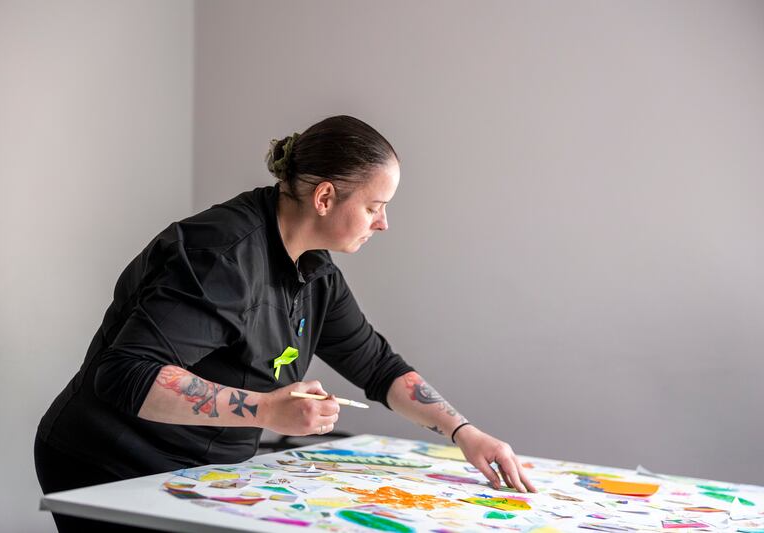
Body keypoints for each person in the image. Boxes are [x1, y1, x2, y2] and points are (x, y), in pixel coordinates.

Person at [35, 115, 536, 532]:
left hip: (202, 472)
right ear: (325, 198)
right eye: (374, 207)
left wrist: (463, 431)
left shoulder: (315, 270)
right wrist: (268, 410)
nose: (383, 223)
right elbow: (127, 373)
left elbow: (378, 367)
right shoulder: (220, 256)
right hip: (113, 462)